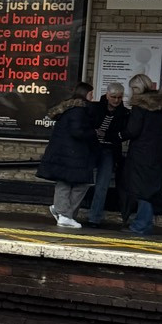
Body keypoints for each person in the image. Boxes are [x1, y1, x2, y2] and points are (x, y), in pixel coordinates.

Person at [36, 80, 95, 230]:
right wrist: (93, 133)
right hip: (73, 154)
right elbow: (77, 131)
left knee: (65, 182)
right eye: (91, 94)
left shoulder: (68, 108)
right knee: (80, 183)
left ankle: (62, 212)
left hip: (64, 153)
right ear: (85, 94)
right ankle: (64, 215)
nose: (93, 97)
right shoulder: (79, 110)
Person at [122, 72, 162, 235]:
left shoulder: (140, 106)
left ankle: (140, 224)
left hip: (141, 153)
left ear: (137, 88)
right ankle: (146, 223)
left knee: (141, 189)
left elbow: (133, 130)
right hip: (158, 153)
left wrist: (120, 135)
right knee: (150, 190)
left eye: (132, 89)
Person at [85, 80, 129, 227]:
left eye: (119, 97)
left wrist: (106, 135)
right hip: (92, 148)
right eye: (114, 97)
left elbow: (123, 133)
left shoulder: (124, 114)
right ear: (107, 95)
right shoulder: (95, 108)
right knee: (81, 181)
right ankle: (69, 214)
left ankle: (94, 219)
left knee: (102, 185)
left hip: (109, 150)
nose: (116, 100)